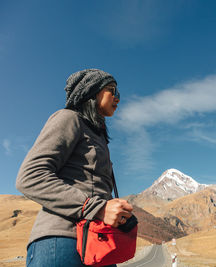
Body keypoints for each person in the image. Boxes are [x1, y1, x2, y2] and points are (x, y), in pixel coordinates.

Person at [16, 69, 134, 267]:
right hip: (62, 241)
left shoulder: (97, 136)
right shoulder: (68, 118)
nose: (117, 98)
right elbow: (30, 176)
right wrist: (98, 208)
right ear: (92, 91)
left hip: (96, 242)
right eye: (111, 91)